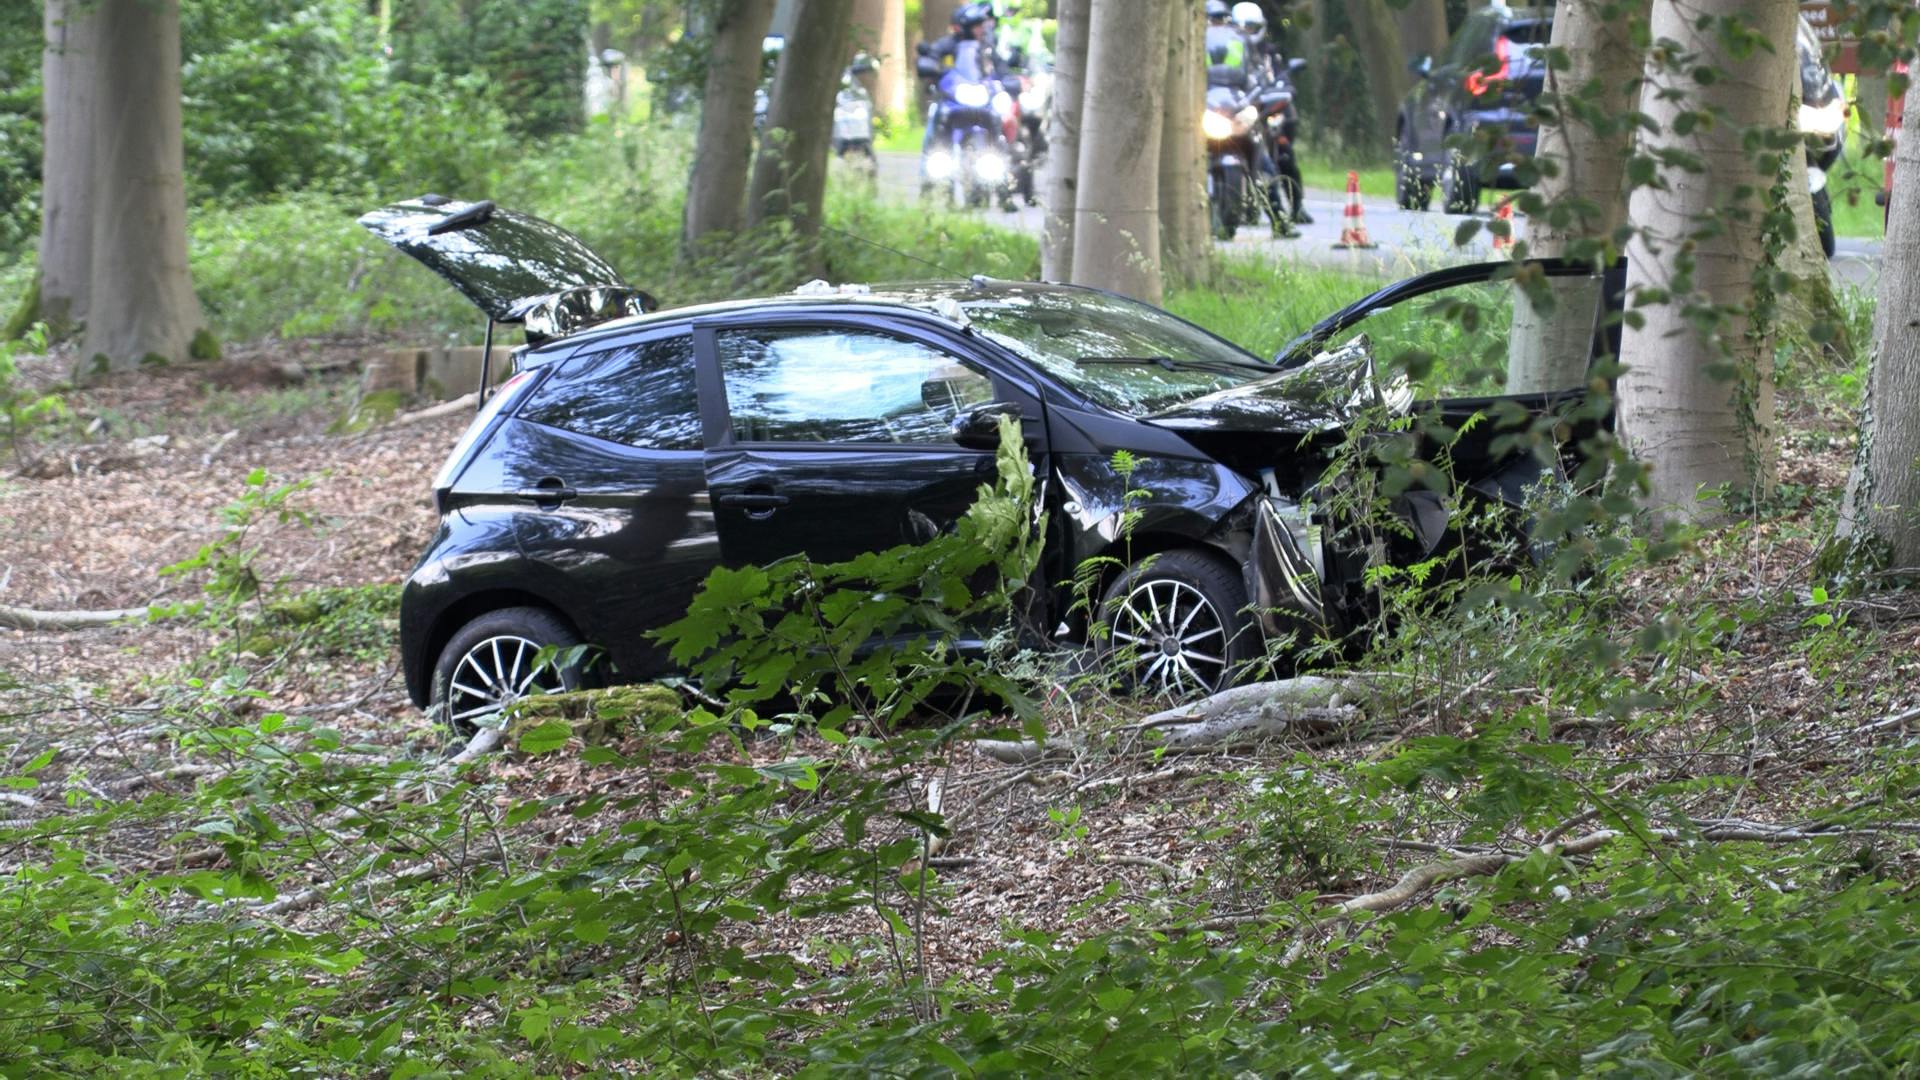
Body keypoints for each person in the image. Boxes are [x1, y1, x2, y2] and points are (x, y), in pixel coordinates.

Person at [1232, 1, 1311, 225]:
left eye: (1251, 27)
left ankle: (1296, 206)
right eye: (1242, 28)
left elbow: (1282, 78)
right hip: (1236, 112)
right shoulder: (1228, 51)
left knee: (1284, 152)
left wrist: (1284, 89)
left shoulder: (1269, 54)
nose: (1247, 33)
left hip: (1264, 111)